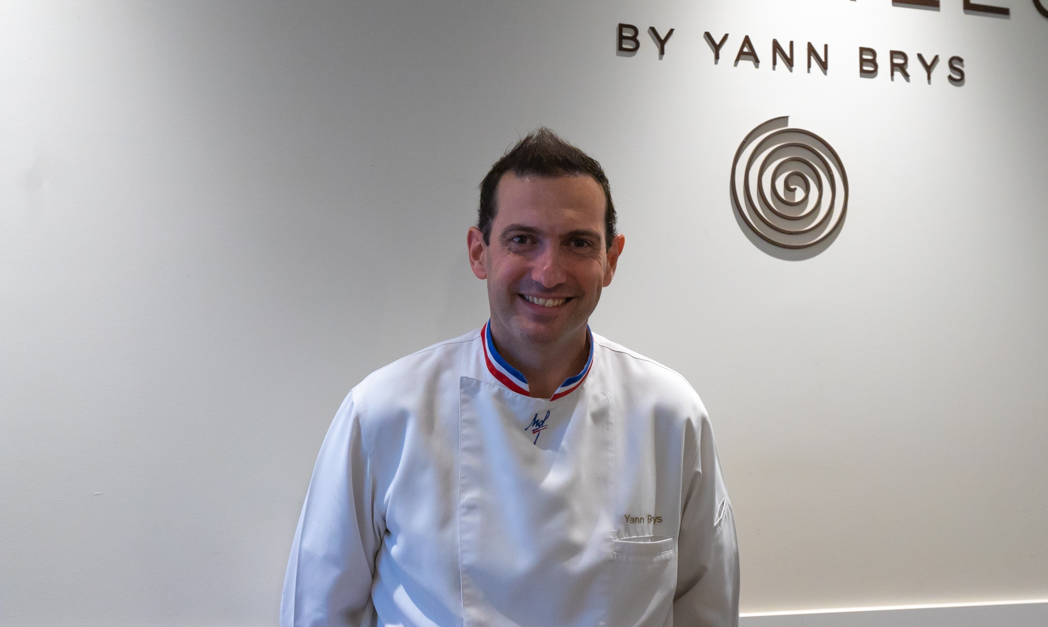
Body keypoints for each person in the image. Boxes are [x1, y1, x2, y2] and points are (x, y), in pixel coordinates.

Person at [281, 129, 738, 627]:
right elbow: (318, 612)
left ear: (611, 259)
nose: (548, 272)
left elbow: (706, 609)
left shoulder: (670, 415)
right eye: (523, 240)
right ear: (480, 252)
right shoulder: (384, 411)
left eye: (578, 243)